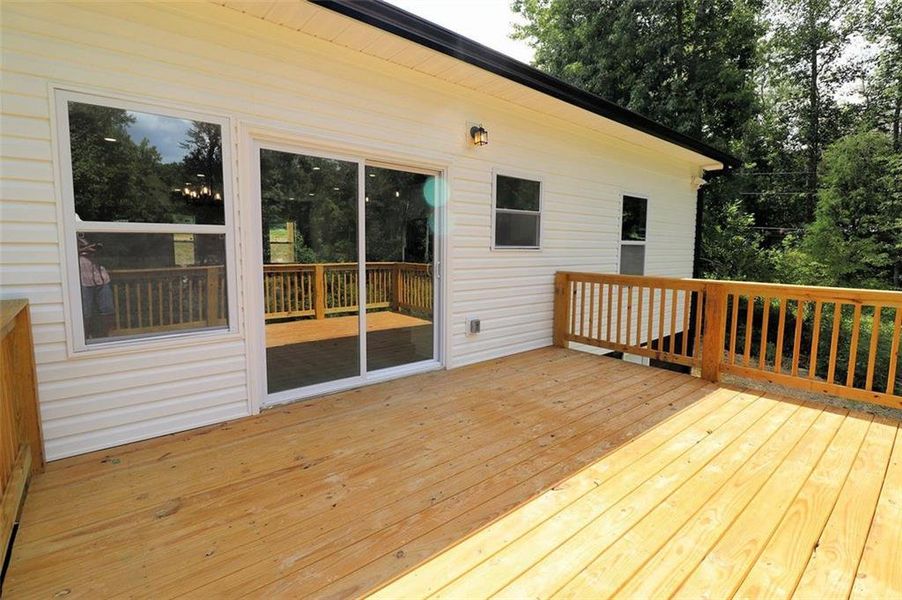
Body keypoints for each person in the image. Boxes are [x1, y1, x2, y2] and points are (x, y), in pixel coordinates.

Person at [78, 234, 114, 339]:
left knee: (108, 308)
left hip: (101, 276)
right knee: (85, 311)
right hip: (83, 276)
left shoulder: (96, 232)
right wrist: (85, 249)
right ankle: (83, 339)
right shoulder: (75, 232)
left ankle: (106, 336)